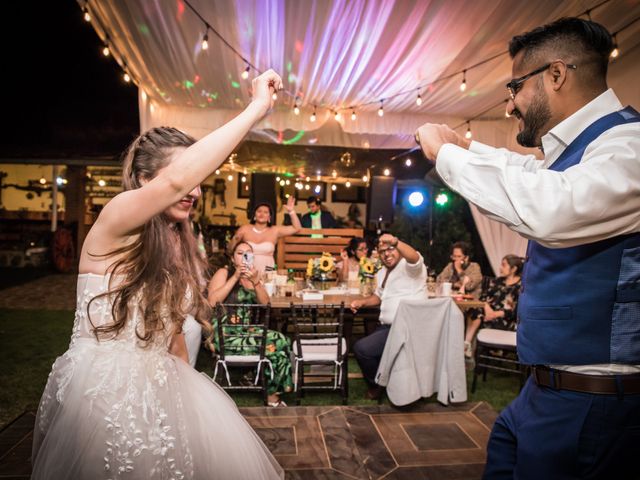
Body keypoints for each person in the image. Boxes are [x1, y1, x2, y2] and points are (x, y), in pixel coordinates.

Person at [31, 70, 285, 479]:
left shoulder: (175, 245)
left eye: (199, 181)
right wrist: (256, 108)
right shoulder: (115, 220)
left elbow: (174, 340)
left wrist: (189, 409)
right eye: (186, 177)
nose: (195, 189)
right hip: (102, 397)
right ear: (147, 182)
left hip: (162, 394)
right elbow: (179, 179)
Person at [416, 17, 640, 479]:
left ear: (555, 75)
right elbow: (535, 176)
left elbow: (553, 208)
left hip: (593, 397)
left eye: (515, 86)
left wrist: (447, 155)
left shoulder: (629, 146)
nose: (511, 104)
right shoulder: (581, 153)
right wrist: (468, 148)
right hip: (545, 390)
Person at [207, 241, 293, 407]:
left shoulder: (254, 276)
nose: (244, 256)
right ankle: (272, 395)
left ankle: (272, 391)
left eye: (248, 253)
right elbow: (212, 302)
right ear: (233, 258)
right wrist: (235, 276)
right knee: (278, 341)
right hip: (226, 334)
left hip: (247, 332)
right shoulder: (224, 273)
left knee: (283, 340)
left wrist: (256, 282)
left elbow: (265, 304)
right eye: (240, 253)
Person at [350, 234, 427, 399]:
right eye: (382, 251)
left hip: (406, 328)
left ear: (398, 248)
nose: (387, 254)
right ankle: (386, 380)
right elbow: (379, 296)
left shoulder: (409, 266)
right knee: (365, 345)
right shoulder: (382, 271)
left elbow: (414, 257)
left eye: (390, 249)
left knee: (362, 349)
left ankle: (377, 385)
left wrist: (396, 242)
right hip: (387, 327)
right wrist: (362, 302)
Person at [463, 254, 523, 358]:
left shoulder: (521, 286)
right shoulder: (497, 281)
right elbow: (483, 297)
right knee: (475, 310)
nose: (500, 268)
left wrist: (495, 314)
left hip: (506, 321)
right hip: (487, 315)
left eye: (504, 265)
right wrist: (487, 308)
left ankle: (467, 346)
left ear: (513, 269)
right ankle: (467, 345)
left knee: (477, 315)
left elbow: (517, 310)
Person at [229, 197, 301, 274]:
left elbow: (297, 228)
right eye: (259, 211)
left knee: (268, 283)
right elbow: (231, 250)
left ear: (269, 217)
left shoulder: (275, 230)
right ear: (254, 215)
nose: (262, 214)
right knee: (248, 285)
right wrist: (234, 239)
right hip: (248, 269)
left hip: (268, 268)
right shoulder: (245, 229)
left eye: (266, 212)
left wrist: (291, 211)